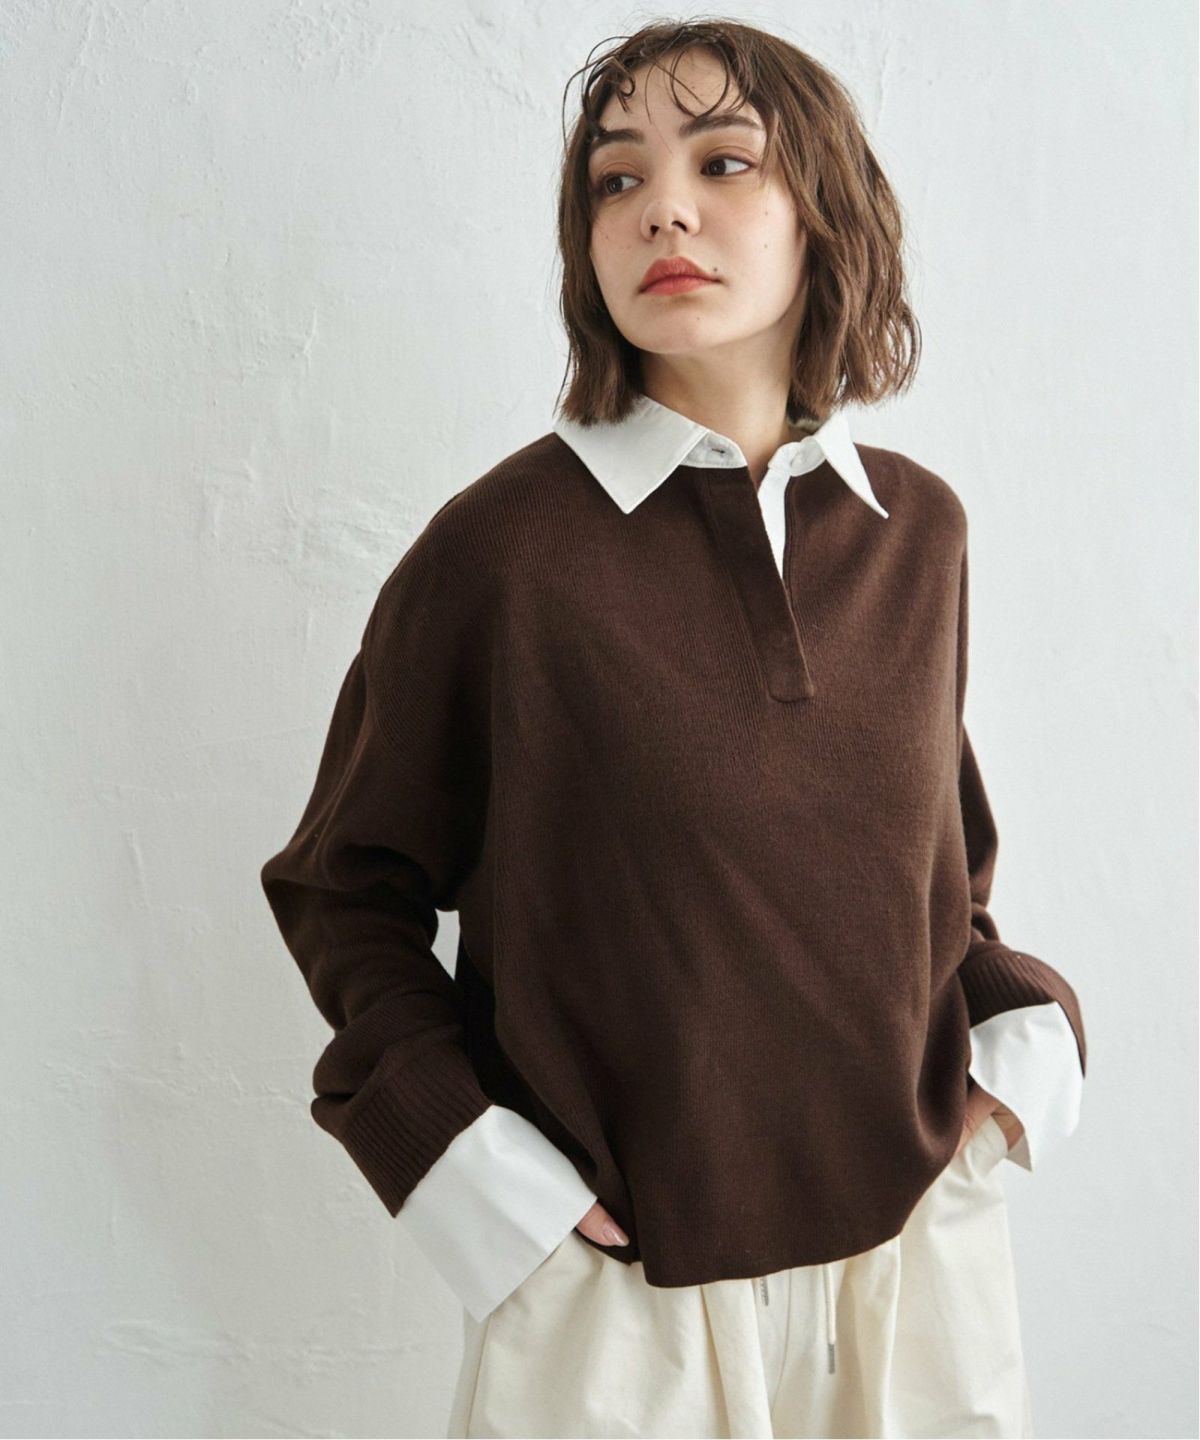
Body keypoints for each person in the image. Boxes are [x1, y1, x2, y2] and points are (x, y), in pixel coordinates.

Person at [260, 19, 1087, 1439]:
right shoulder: (502, 556)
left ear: (825, 211)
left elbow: (937, 877)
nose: (663, 209)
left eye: (724, 162)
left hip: (917, 1273)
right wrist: (476, 1170)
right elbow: (344, 888)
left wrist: (1016, 1044)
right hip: (624, 1304)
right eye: (616, 179)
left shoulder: (916, 531)